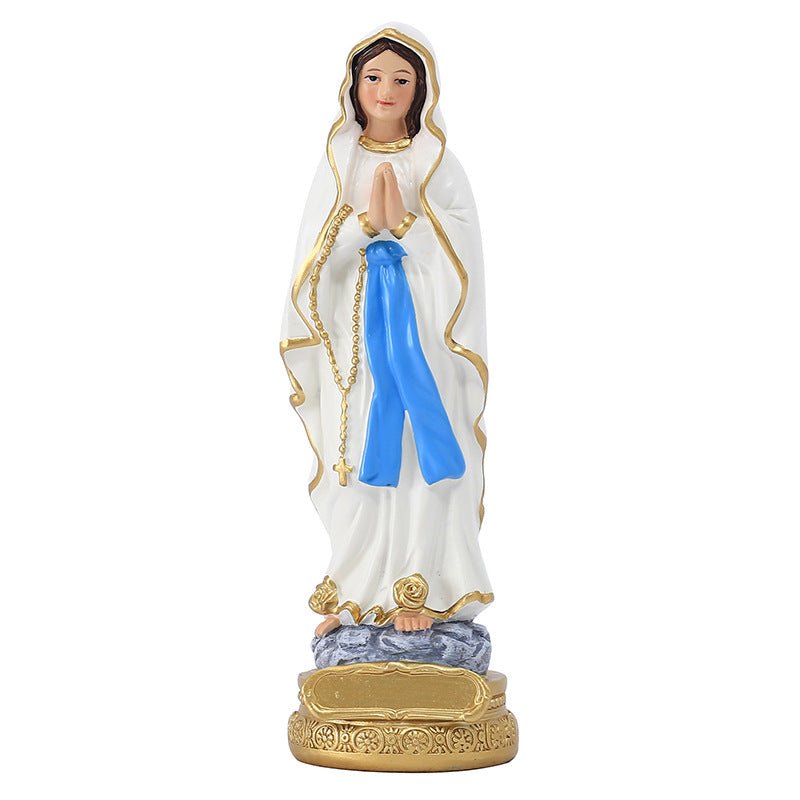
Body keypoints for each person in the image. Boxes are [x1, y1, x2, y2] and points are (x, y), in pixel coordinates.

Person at [280, 22, 494, 636]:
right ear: (353, 85)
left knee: (417, 456)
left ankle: (420, 583)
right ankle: (356, 586)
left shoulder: (436, 162)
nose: (386, 90)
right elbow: (311, 263)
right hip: (354, 345)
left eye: (402, 79)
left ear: (421, 89)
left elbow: (465, 256)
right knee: (356, 455)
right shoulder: (338, 161)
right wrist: (362, 228)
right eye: (373, 77)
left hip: (423, 339)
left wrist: (406, 229)